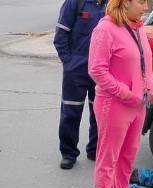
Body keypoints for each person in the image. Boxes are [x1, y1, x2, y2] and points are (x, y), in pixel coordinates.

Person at [88, 0, 153, 188]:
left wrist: (150, 87)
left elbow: (145, 62)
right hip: (114, 104)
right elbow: (96, 69)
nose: (146, 7)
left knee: (128, 154)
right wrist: (125, 92)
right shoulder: (105, 29)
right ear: (125, 2)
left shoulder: (137, 27)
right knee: (108, 157)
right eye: (141, 2)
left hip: (138, 103)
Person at [54, 0, 106, 170]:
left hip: (101, 70)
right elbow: (60, 36)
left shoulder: (111, 5)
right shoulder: (75, 3)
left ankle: (94, 150)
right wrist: (69, 63)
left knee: (99, 112)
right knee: (71, 112)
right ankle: (68, 154)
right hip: (76, 69)